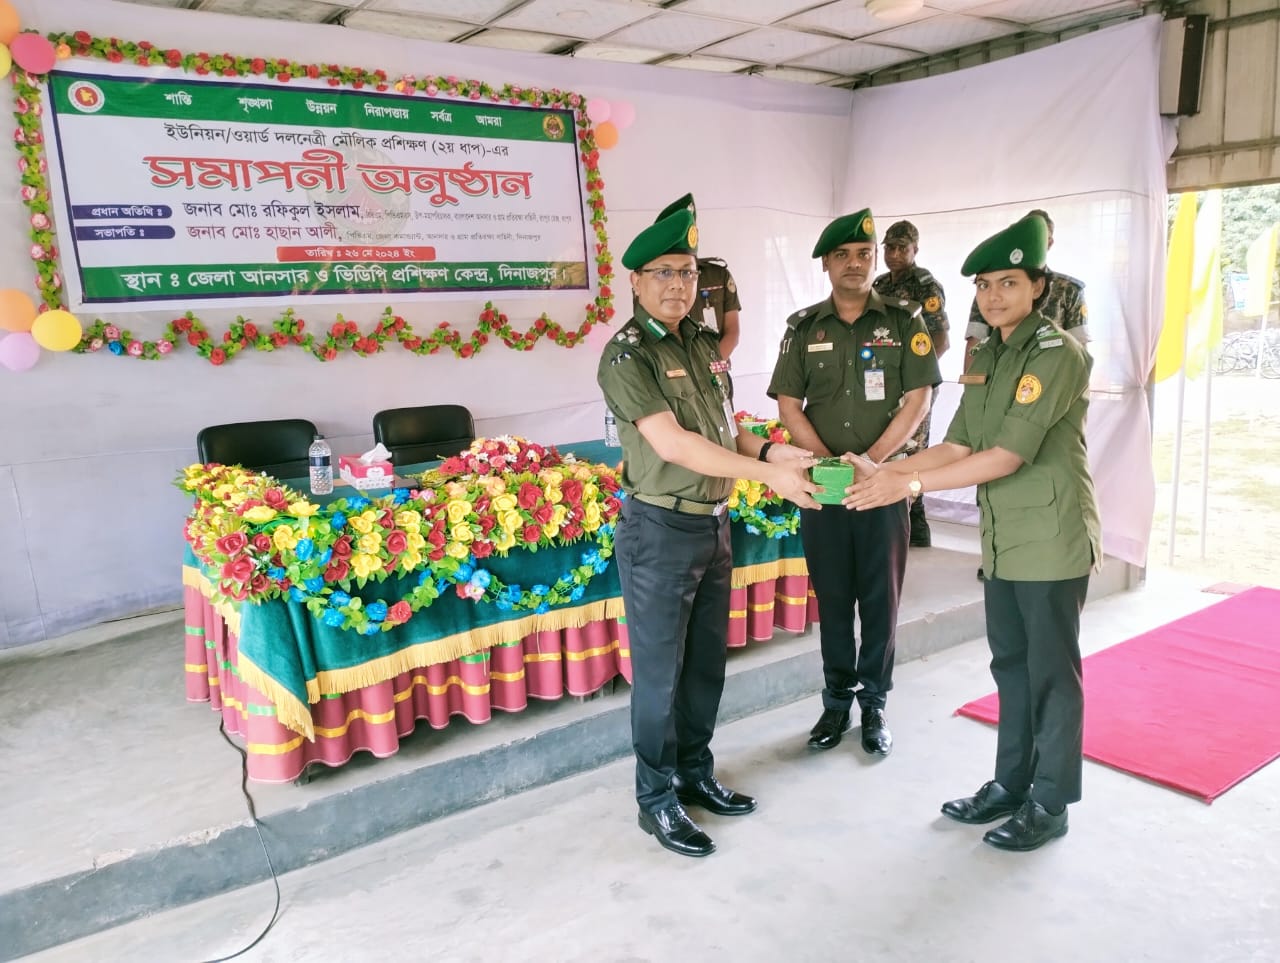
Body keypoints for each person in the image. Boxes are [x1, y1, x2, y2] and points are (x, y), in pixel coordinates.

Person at [844, 214, 1101, 852]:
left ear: (1038, 286)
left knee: (1050, 674)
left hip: (1050, 538)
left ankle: (1050, 801)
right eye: (985, 285)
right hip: (1004, 539)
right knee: (1011, 666)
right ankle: (1011, 784)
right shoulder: (989, 354)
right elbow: (959, 443)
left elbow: (1006, 456)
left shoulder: (1057, 354)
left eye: (1008, 283)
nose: (993, 296)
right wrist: (884, 468)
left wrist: (907, 487)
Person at [597, 200, 820, 859]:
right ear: (636, 281)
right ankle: (655, 797)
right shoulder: (627, 356)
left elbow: (724, 431)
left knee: (703, 668)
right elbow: (674, 445)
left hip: (713, 528)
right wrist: (768, 477)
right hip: (660, 531)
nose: (679, 285)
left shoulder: (701, 343)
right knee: (660, 676)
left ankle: (694, 772)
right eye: (664, 272)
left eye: (689, 273)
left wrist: (774, 452)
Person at [767, 209, 941, 758]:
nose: (854, 264)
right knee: (835, 599)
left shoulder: (904, 321)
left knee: (881, 602)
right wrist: (826, 463)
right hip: (824, 490)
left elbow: (919, 398)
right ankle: (836, 701)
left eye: (864, 254)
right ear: (826, 264)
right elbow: (789, 403)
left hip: (882, 485)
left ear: (874, 259)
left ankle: (875, 704)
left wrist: (871, 460)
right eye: (842, 255)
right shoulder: (804, 328)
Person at [873, 219, 950, 547]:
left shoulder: (925, 286)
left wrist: (911, 378)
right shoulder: (878, 284)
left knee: (912, 449)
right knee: (884, 445)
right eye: (889, 247)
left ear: (915, 249)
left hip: (914, 386)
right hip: (878, 382)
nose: (893, 254)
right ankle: (885, 517)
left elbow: (940, 340)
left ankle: (915, 523)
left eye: (901, 248)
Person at [963, 208, 1089, 370]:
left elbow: (1079, 348)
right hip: (1001, 372)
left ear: (1050, 242)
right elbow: (975, 341)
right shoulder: (992, 288)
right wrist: (971, 382)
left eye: (1039, 237)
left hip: (1050, 374)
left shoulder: (1069, 289)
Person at [652, 194, 743, 359]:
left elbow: (732, 331)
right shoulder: (650, 281)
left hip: (715, 367)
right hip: (669, 368)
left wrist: (709, 367)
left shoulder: (718, 276)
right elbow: (649, 333)